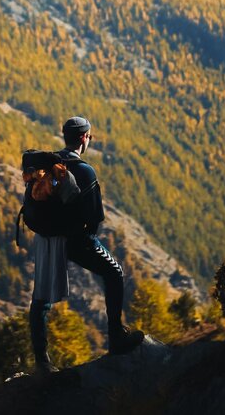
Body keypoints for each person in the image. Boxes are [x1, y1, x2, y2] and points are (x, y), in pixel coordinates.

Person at [29, 116, 144, 374]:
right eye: (89, 136)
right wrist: (84, 240)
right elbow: (94, 218)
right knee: (113, 273)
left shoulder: (49, 165)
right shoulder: (84, 171)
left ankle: (42, 362)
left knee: (41, 299)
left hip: (47, 239)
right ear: (84, 138)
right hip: (75, 239)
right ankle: (116, 338)